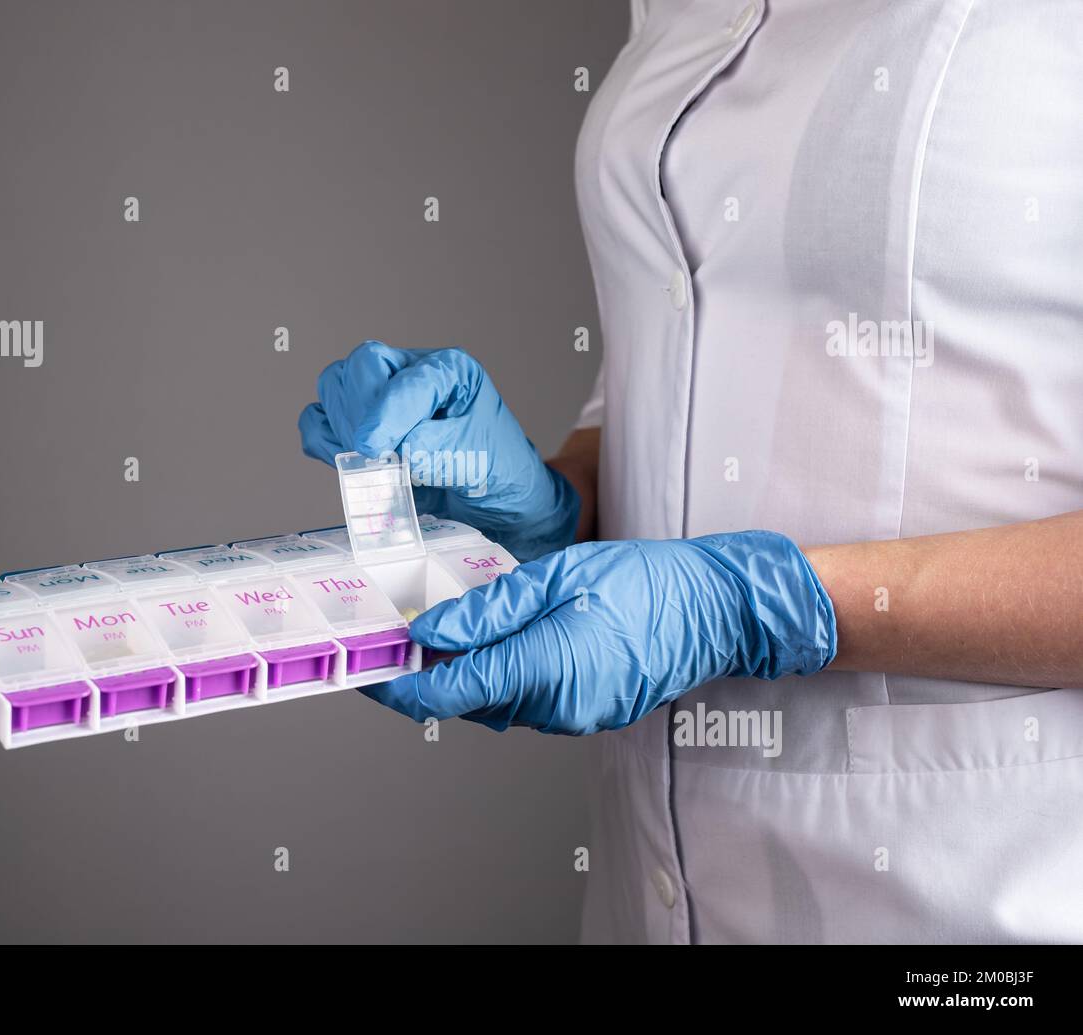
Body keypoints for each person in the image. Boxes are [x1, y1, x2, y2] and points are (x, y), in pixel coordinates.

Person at [298, 0, 1083, 943]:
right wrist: (558, 502)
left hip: (969, 908)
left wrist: (759, 603)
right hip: (646, 893)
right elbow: (686, 358)